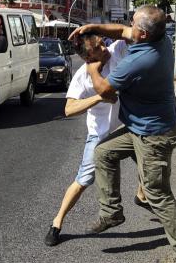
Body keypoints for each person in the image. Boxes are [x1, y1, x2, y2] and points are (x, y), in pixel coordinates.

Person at [69, 5, 176, 263]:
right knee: (103, 152)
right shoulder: (160, 38)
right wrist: (92, 27)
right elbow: (120, 30)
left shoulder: (139, 60)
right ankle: (112, 213)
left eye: (133, 23)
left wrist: (93, 66)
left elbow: (105, 91)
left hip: (154, 136)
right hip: (140, 127)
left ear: (142, 34)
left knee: (158, 194)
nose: (128, 25)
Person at [44, 33, 148, 246]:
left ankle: (141, 195)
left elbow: (130, 32)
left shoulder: (117, 52)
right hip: (99, 135)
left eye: (103, 42)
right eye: (98, 48)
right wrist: (99, 97)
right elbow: (69, 109)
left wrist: (94, 27)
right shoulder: (82, 75)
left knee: (150, 164)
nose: (105, 48)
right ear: (88, 57)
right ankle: (57, 222)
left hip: (128, 126)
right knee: (83, 181)